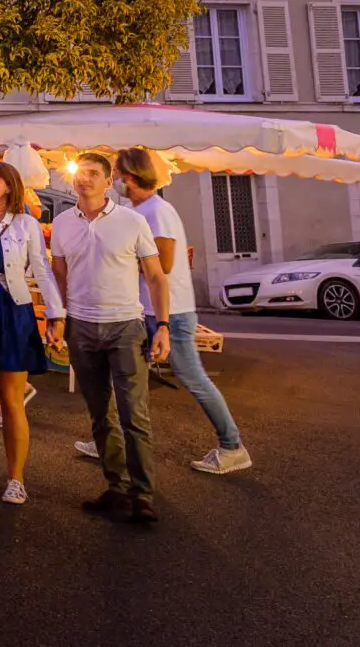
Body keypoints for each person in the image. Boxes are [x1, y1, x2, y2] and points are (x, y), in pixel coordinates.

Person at [51, 152, 171, 525]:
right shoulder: (61, 223)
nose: (83, 179)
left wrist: (162, 325)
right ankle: (116, 487)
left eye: (92, 174)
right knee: (100, 415)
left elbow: (155, 275)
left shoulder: (132, 221)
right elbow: (59, 274)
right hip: (82, 328)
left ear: (108, 181)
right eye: (79, 173)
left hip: (125, 326)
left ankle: (143, 495)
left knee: (134, 415)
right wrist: (62, 319)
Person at [115, 147, 250, 475]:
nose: (114, 181)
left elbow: (162, 264)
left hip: (170, 313)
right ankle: (114, 439)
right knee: (126, 375)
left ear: (130, 177)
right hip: (148, 310)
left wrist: (116, 262)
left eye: (116, 174)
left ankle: (232, 446)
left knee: (193, 377)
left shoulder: (156, 211)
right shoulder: (143, 210)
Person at [0, 160, 64, 504]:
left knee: (10, 402)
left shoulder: (27, 224)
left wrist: (56, 314)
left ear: (9, 185)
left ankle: (15, 477)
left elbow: (41, 268)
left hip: (13, 309)